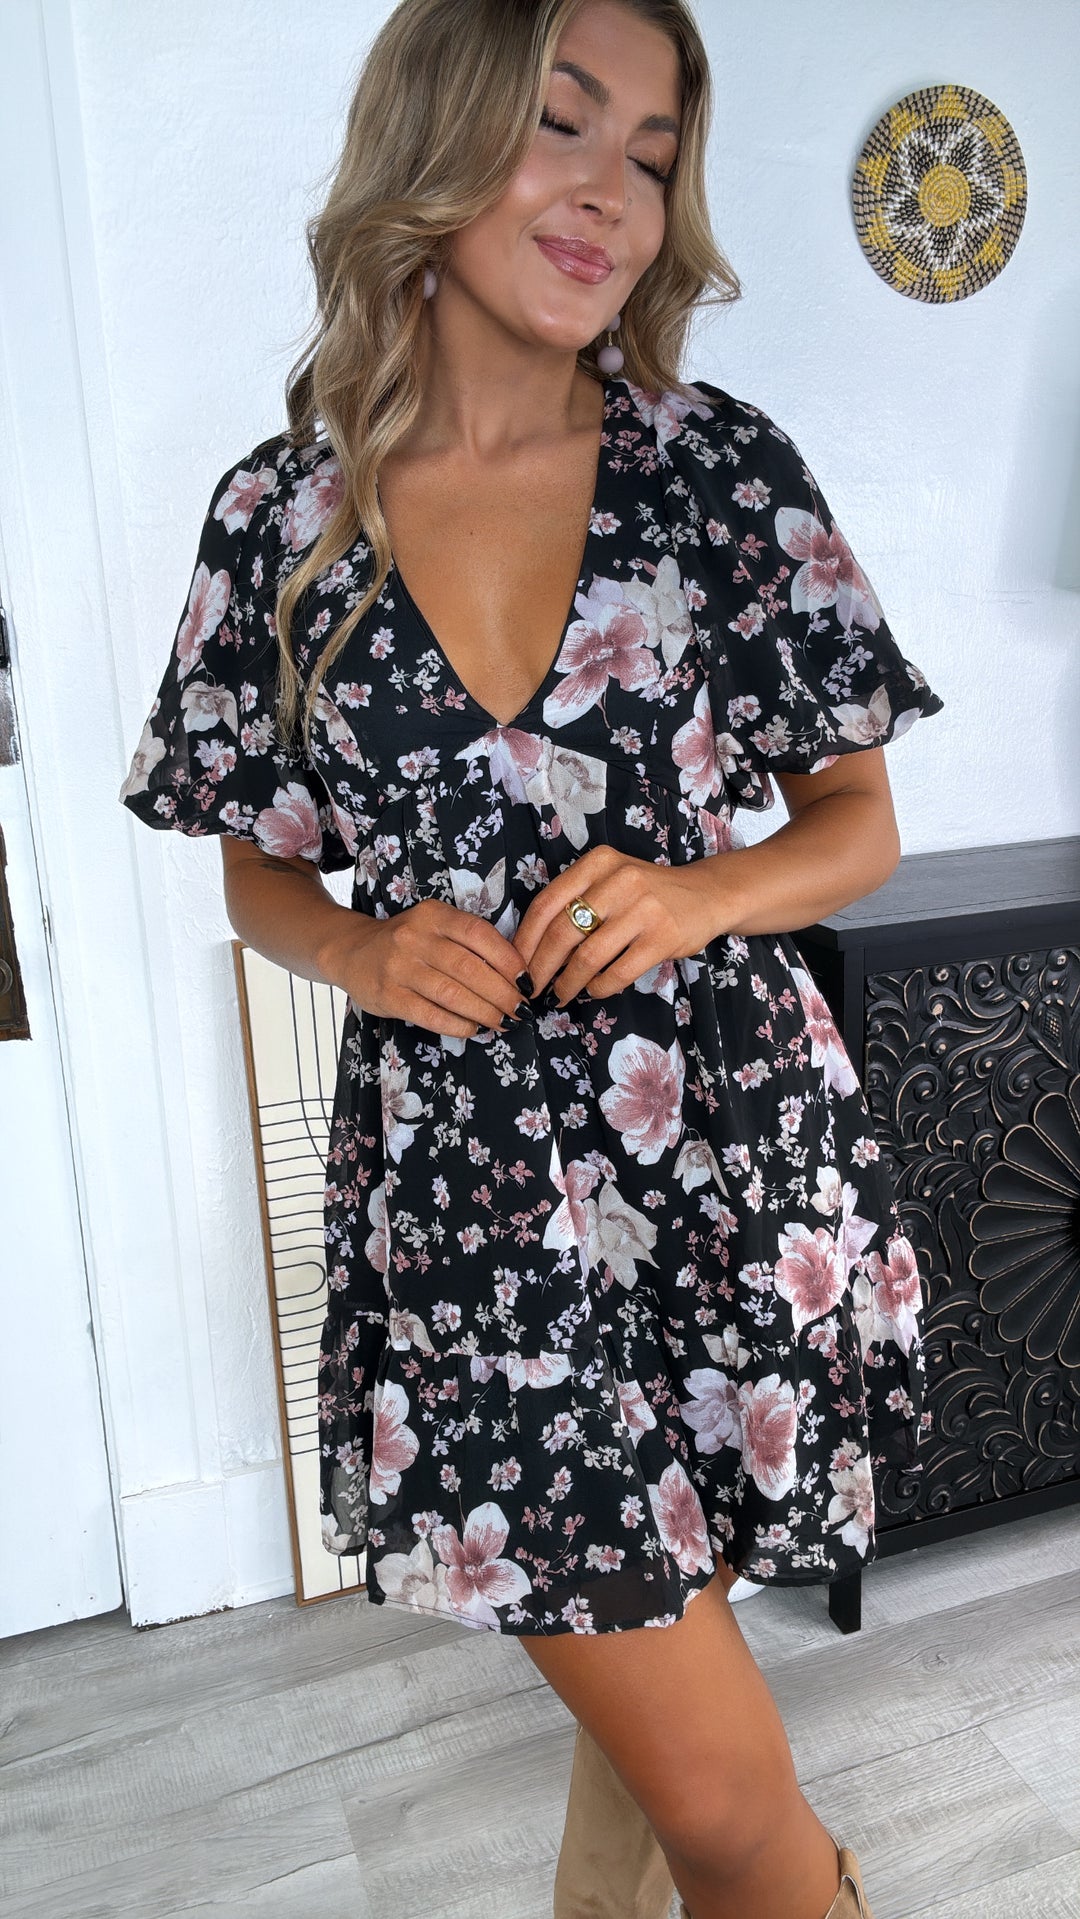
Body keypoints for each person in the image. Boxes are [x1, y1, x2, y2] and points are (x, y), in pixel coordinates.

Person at [119, 2, 945, 1914]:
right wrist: (362, 950)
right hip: (477, 1222)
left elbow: (858, 824)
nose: (612, 196)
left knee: (675, 1714)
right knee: (723, 1795)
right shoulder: (281, 517)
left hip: (731, 1170)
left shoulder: (717, 472)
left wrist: (697, 892)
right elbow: (255, 870)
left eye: (651, 156)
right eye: (561, 124)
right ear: (439, 134)